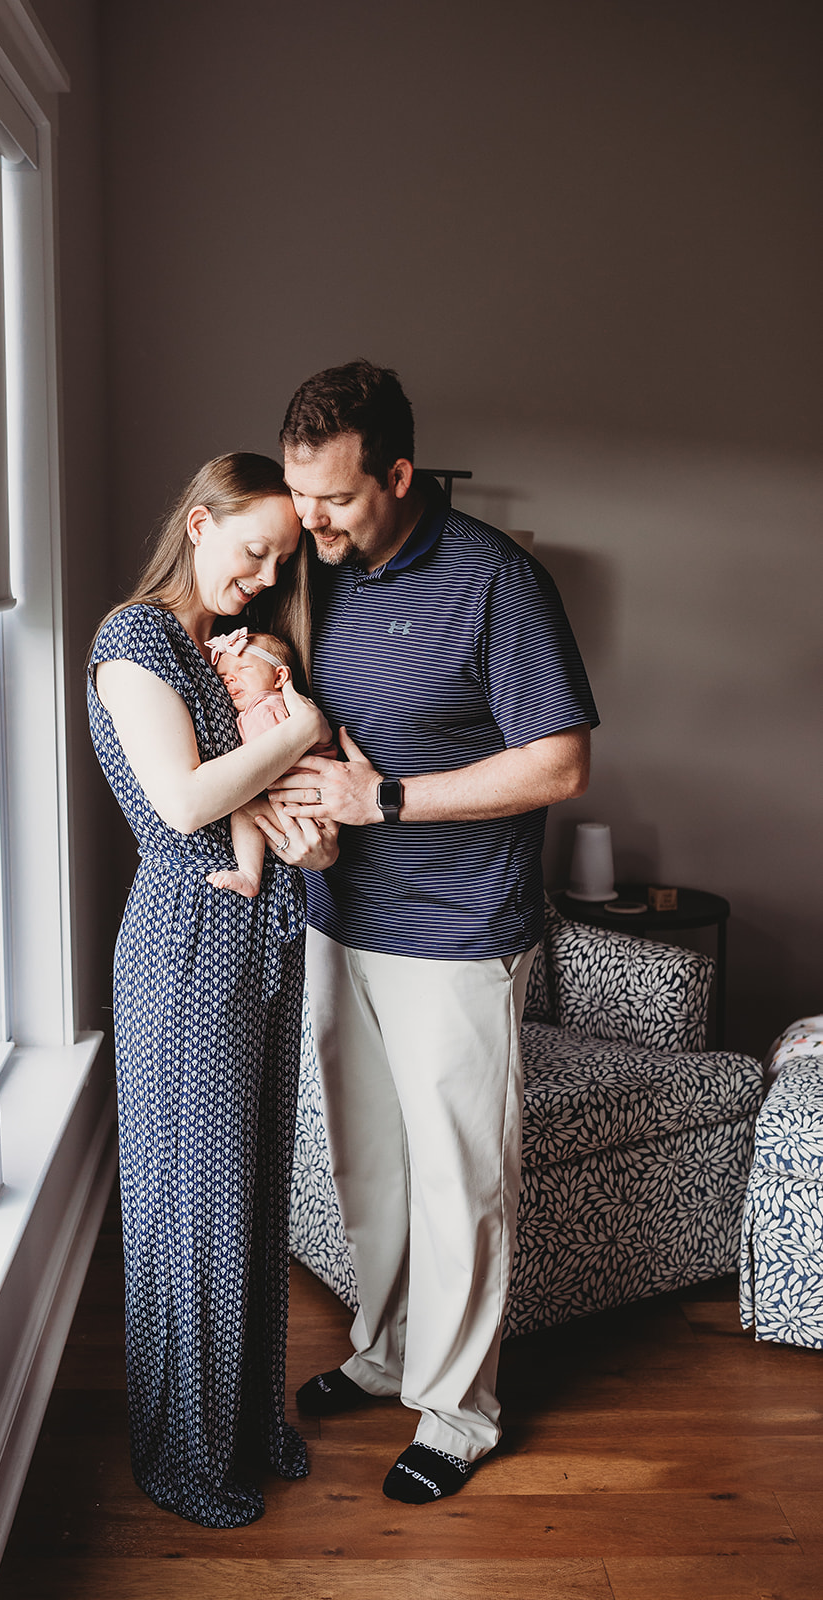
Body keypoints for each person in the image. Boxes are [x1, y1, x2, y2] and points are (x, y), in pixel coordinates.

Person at [268, 360, 599, 1505]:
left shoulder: (495, 580)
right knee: (373, 1166)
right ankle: (387, 1348)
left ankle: (458, 1409)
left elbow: (558, 759)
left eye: (336, 500)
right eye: (300, 499)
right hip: (336, 919)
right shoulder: (323, 572)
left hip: (455, 933)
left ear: (399, 475)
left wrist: (388, 800)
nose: (310, 522)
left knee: (459, 1179)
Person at [87, 452, 338, 1528]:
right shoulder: (133, 639)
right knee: (192, 1208)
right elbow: (186, 802)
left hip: (260, 942)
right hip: (185, 948)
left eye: (280, 559)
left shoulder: (227, 649)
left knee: (249, 1199)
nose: (264, 573)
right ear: (198, 524)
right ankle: (183, 1454)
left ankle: (239, 1425)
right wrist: (295, 731)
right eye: (251, 550)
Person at [205, 626, 338, 898]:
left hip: (307, 806)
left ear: (279, 677)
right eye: (224, 677)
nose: (230, 680)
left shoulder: (266, 709)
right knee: (248, 812)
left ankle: (249, 875)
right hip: (308, 805)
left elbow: (262, 766)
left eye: (243, 669)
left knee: (243, 810)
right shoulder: (265, 708)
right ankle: (249, 876)